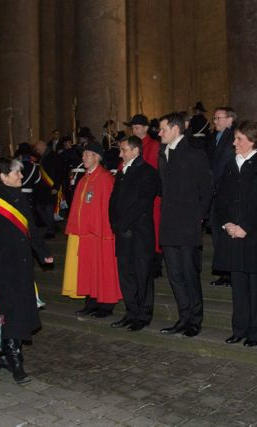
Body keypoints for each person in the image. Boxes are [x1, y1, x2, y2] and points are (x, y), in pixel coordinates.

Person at [0, 158, 53, 385]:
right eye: (17, 173)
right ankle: (15, 361)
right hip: (0, 268)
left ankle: (3, 357)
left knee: (18, 312)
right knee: (10, 314)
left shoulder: (21, 197)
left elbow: (30, 228)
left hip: (22, 265)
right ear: (3, 176)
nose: (21, 176)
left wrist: (43, 252)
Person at [213, 121, 257, 347]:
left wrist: (245, 227)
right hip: (233, 233)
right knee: (238, 284)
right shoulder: (231, 164)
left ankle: (256, 332)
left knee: (255, 287)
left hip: (254, 235)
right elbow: (221, 197)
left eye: (239, 139)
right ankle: (239, 329)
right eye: (234, 138)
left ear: (252, 140)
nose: (234, 143)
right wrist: (226, 223)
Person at [157, 112, 213, 337]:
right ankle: (183, 317)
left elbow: (207, 189)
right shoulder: (163, 153)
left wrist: (198, 217)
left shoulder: (194, 153)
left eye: (163, 129)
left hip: (187, 225)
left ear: (175, 129)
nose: (159, 133)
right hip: (168, 224)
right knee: (175, 275)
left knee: (189, 274)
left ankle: (195, 320)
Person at [62, 142, 121, 318]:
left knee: (103, 268)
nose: (84, 157)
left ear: (97, 157)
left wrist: (107, 231)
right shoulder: (84, 179)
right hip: (86, 234)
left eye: (87, 154)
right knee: (88, 270)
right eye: (84, 154)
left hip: (101, 233)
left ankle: (106, 305)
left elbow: (109, 209)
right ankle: (91, 303)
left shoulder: (105, 178)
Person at [109, 136, 159, 331]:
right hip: (123, 232)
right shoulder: (122, 172)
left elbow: (143, 203)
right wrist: (115, 223)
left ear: (135, 150)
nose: (120, 154)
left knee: (142, 275)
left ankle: (143, 315)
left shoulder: (148, 172)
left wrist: (122, 223)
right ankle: (131, 312)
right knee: (126, 275)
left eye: (123, 150)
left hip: (140, 233)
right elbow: (113, 200)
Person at [126, 114, 163, 277]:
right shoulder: (131, 144)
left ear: (146, 128)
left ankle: (155, 265)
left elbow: (151, 171)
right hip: (134, 196)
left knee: (153, 229)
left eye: (137, 127)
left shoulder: (153, 145)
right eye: (133, 128)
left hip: (151, 196)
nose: (134, 130)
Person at [208, 107, 237, 288]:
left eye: (218, 118)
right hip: (214, 193)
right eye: (215, 118)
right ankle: (223, 272)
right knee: (217, 235)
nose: (215, 121)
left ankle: (231, 273)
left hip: (226, 192)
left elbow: (224, 165)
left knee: (226, 234)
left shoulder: (233, 138)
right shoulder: (214, 138)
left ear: (230, 120)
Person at [34, 139, 64, 238]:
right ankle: (53, 226)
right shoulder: (42, 157)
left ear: (43, 146)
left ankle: (50, 230)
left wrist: (56, 186)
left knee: (48, 209)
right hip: (43, 188)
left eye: (38, 149)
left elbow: (59, 172)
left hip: (51, 186)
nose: (37, 151)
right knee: (40, 208)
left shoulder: (53, 156)